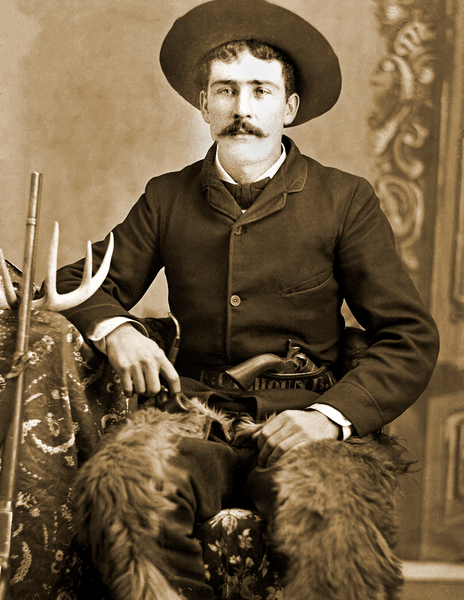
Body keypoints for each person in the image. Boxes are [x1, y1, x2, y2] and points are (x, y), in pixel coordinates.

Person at [56, 1, 439, 598]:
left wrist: (327, 418)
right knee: (125, 491)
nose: (242, 108)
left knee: (336, 532)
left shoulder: (344, 199)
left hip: (303, 422)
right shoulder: (167, 196)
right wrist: (116, 330)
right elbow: (80, 282)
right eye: (226, 91)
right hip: (196, 422)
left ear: (288, 108)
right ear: (204, 105)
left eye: (260, 90)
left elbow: (409, 337)